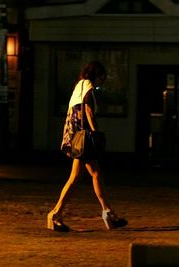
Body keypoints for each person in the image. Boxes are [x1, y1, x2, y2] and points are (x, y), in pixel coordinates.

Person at [47, 61, 127, 232]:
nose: (101, 82)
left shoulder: (79, 86)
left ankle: (106, 212)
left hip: (76, 135)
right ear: (97, 75)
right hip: (83, 136)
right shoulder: (87, 84)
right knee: (87, 175)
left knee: (83, 175)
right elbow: (88, 109)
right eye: (102, 78)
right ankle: (106, 213)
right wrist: (95, 132)